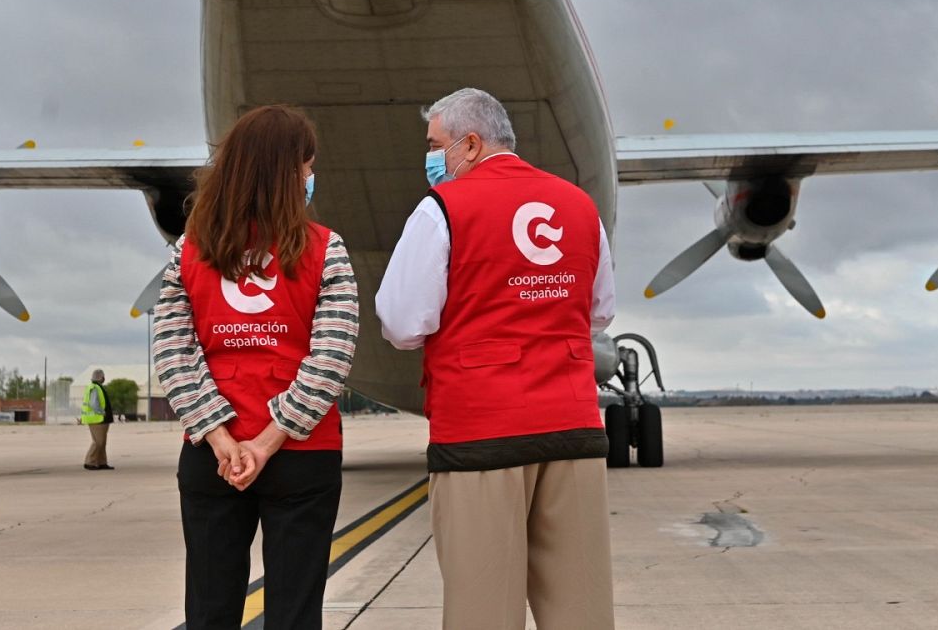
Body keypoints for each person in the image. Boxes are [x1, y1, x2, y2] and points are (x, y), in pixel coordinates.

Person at [377, 87, 617, 630]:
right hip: (573, 429)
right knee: (582, 609)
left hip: (481, 434)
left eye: (434, 145)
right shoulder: (580, 206)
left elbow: (402, 323)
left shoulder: (441, 209)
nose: (431, 158)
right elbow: (599, 313)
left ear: (469, 144)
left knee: (482, 610)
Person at [152, 104, 358, 630]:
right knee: (295, 612)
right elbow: (330, 358)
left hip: (212, 457)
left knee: (209, 609)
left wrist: (221, 438)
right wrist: (268, 442)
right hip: (302, 455)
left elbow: (173, 353)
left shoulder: (188, 251)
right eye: (307, 168)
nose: (310, 177)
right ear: (287, 173)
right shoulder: (326, 248)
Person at [81, 369, 114, 470]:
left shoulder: (97, 387)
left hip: (101, 420)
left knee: (102, 442)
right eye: (103, 377)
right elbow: (93, 403)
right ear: (101, 377)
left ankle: (101, 462)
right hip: (97, 420)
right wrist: (102, 412)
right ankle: (90, 462)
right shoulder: (95, 388)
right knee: (98, 442)